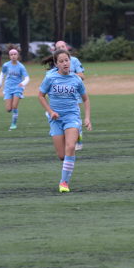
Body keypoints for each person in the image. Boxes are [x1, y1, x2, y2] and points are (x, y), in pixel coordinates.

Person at [39, 48, 92, 193]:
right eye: (61, 61)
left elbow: (86, 99)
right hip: (56, 119)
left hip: (72, 117)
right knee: (62, 156)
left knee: (70, 147)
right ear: (56, 64)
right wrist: (51, 112)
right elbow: (40, 96)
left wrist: (87, 118)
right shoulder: (50, 78)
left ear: (70, 62)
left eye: (67, 60)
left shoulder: (76, 79)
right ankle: (75, 137)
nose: (65, 63)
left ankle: (64, 183)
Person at [42, 41, 86, 150]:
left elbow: (82, 76)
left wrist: (70, 76)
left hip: (73, 93)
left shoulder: (74, 60)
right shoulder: (56, 62)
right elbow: (51, 77)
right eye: (58, 47)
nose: (61, 48)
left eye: (62, 46)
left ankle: (78, 136)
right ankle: (58, 129)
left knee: (75, 116)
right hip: (59, 94)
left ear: (66, 47)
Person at [0, 48, 30, 130]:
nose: (13, 56)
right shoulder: (6, 65)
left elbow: (27, 78)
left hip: (18, 87)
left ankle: (13, 123)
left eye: (15, 54)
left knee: (14, 106)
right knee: (8, 109)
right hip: (8, 87)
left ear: (17, 55)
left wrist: (23, 83)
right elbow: (2, 73)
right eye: (11, 55)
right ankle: (12, 110)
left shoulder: (21, 66)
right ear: (9, 56)